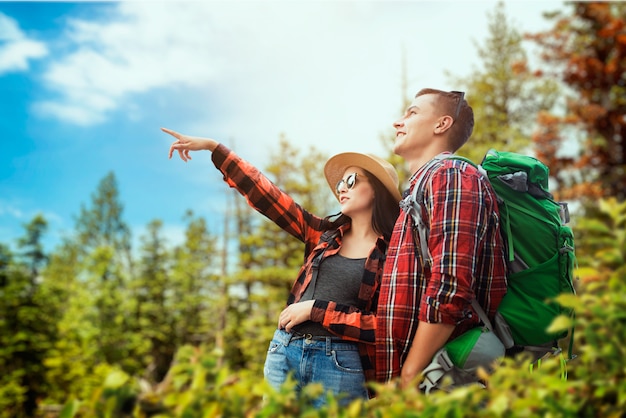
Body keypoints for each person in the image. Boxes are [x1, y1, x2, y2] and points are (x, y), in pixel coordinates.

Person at [162, 127, 401, 406]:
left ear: (377, 190)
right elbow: (269, 197)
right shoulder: (321, 234)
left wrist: (316, 310)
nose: (342, 188)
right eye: (339, 185)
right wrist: (215, 148)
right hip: (284, 351)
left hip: (340, 365)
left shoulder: (394, 254)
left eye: (351, 180)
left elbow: (387, 328)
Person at [375, 89, 508, 389]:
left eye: (412, 113)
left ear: (442, 124)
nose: (398, 122)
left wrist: (409, 374)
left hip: (445, 377)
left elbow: (450, 286)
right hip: (427, 376)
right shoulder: (420, 188)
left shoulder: (452, 174)